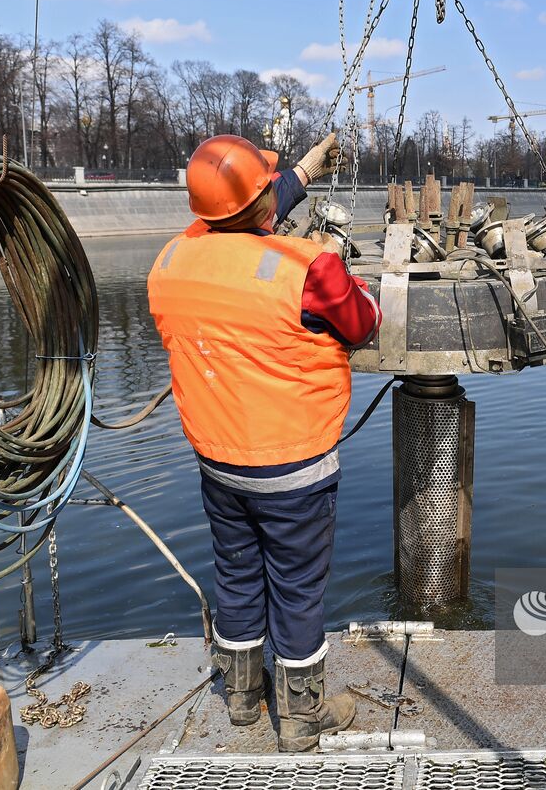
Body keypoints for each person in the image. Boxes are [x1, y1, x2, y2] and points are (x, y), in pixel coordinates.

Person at [147, 133, 380, 751]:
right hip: (294, 468)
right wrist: (332, 256)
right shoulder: (309, 268)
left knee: (237, 573)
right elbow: (363, 323)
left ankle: (244, 701)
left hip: (219, 463)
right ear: (261, 205)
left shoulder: (170, 260)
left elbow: (244, 212)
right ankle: (303, 719)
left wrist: (304, 168)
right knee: (298, 587)